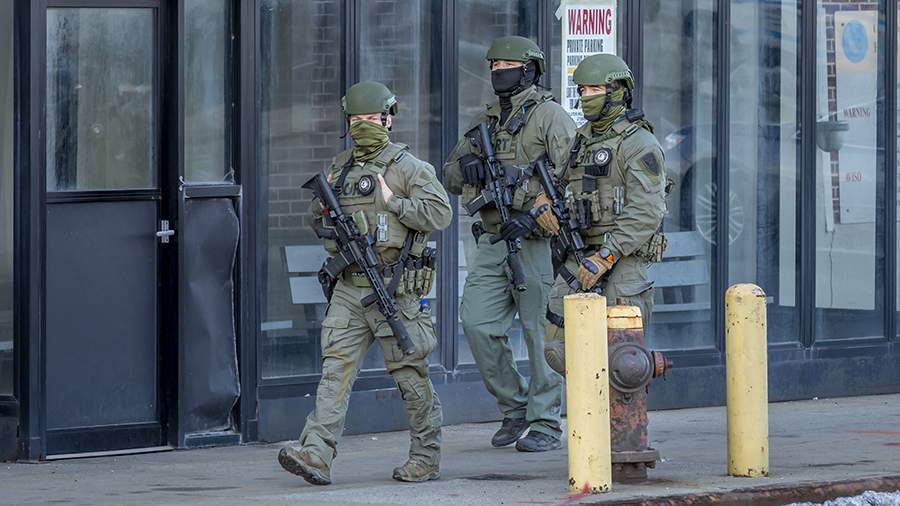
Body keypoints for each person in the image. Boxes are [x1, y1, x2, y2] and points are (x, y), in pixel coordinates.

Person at [278, 81, 451, 484]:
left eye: (372, 119)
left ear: (388, 120)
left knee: (410, 375)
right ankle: (316, 453)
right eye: (357, 120)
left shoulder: (409, 167)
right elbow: (316, 217)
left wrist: (393, 202)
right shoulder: (340, 168)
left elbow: (440, 214)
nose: (364, 126)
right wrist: (326, 214)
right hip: (350, 286)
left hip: (395, 289)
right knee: (335, 371)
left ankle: (425, 456)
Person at [443, 36, 575, 452]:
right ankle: (515, 406)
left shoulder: (551, 117)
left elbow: (571, 179)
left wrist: (531, 211)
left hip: (536, 241)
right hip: (493, 240)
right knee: (477, 323)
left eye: (507, 65)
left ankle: (546, 421)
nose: (499, 71)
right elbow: (449, 175)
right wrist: (468, 167)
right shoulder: (484, 121)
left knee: (538, 333)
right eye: (494, 65)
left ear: (530, 69)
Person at [532, 54, 668, 375]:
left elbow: (647, 210)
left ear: (617, 91)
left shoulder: (639, 143)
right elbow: (552, 182)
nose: (585, 97)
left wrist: (607, 255)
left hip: (621, 262)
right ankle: (588, 405)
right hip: (578, 258)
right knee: (557, 350)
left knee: (621, 362)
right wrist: (541, 202)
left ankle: (620, 407)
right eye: (582, 90)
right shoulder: (579, 141)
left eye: (594, 89)